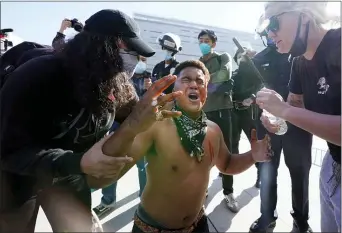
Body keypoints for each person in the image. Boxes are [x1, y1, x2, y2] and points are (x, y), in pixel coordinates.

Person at [0, 9, 180, 233]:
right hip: (19, 177)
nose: (133, 59)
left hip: (70, 176)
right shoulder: (38, 75)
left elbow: (132, 119)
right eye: (128, 49)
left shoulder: (117, 84)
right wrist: (78, 163)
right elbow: (9, 151)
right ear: (97, 44)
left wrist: (150, 112)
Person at [104, 60, 272, 233]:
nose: (194, 85)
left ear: (206, 91)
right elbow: (108, 174)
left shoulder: (213, 130)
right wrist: (128, 128)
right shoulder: (155, 126)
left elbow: (227, 164)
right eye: (186, 80)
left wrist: (253, 155)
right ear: (174, 88)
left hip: (198, 224)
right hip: (153, 228)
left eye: (200, 82)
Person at [255, 2, 341, 232]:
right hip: (332, 164)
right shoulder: (299, 62)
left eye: (272, 22)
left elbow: (289, 109)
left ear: (304, 15)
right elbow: (293, 110)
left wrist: (283, 110)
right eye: (265, 27)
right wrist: (277, 122)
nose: (269, 32)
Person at [249, 28, 313, 233]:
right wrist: (262, 110)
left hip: (299, 125)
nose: (273, 34)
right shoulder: (259, 59)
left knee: (300, 173)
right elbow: (251, 91)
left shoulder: (303, 55)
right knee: (267, 171)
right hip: (269, 126)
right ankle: (267, 216)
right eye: (270, 30)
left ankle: (301, 221)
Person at [93, 56, 153, 217]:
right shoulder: (118, 75)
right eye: (139, 58)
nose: (140, 62)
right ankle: (108, 200)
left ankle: (144, 200)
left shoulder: (148, 77)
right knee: (112, 162)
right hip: (117, 125)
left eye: (144, 59)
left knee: (143, 165)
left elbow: (151, 103)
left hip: (140, 127)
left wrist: (150, 89)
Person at [198, 29, 237, 212]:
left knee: (226, 151)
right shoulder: (197, 63)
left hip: (222, 111)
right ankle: (202, 189)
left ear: (213, 43)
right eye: (200, 40)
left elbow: (225, 74)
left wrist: (203, 80)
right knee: (202, 153)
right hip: (203, 112)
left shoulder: (223, 57)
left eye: (206, 40)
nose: (203, 43)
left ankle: (228, 192)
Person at [231, 48, 260, 188]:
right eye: (238, 57)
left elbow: (261, 86)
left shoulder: (253, 72)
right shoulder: (234, 74)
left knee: (254, 142)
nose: (240, 59)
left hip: (248, 112)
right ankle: (230, 168)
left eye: (243, 56)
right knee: (232, 142)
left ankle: (261, 173)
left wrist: (252, 98)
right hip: (234, 111)